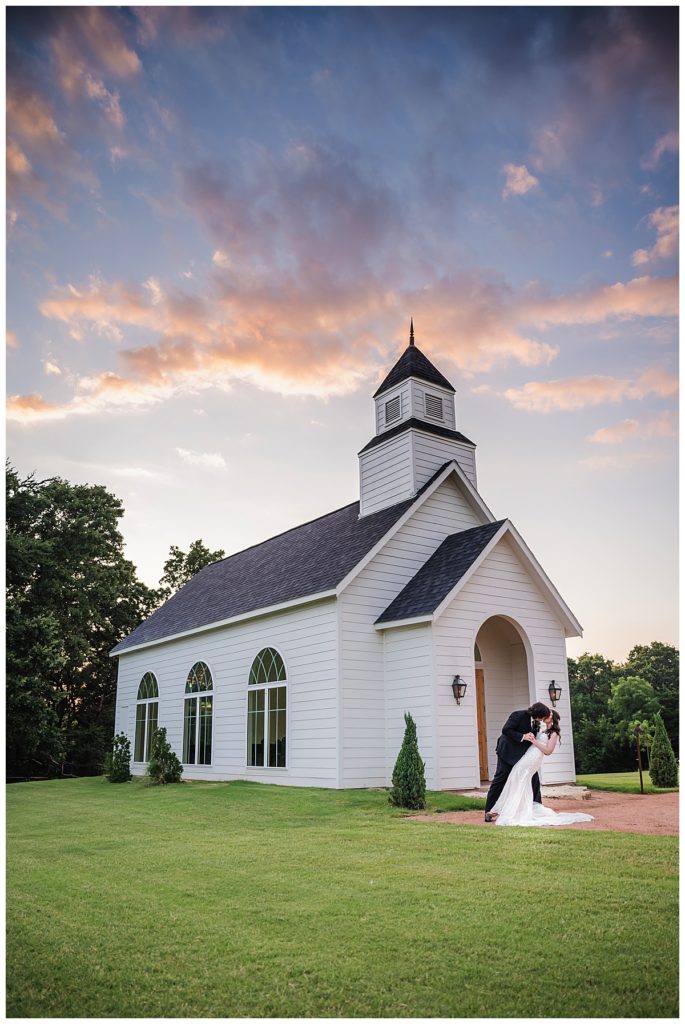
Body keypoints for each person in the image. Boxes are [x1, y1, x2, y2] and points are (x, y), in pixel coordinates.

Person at [491, 709, 594, 827]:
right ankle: (514, 808)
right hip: (528, 755)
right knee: (517, 777)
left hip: (534, 758)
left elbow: (548, 751)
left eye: (549, 714)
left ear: (552, 717)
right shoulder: (541, 728)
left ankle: (511, 810)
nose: (546, 715)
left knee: (519, 777)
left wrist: (534, 742)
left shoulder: (554, 733)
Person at [483, 702, 550, 823]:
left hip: (522, 756)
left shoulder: (536, 722)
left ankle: (537, 808)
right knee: (499, 780)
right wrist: (523, 736)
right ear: (538, 714)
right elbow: (506, 730)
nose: (543, 719)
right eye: (542, 716)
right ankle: (489, 811)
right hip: (507, 753)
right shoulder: (518, 715)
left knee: (533, 779)